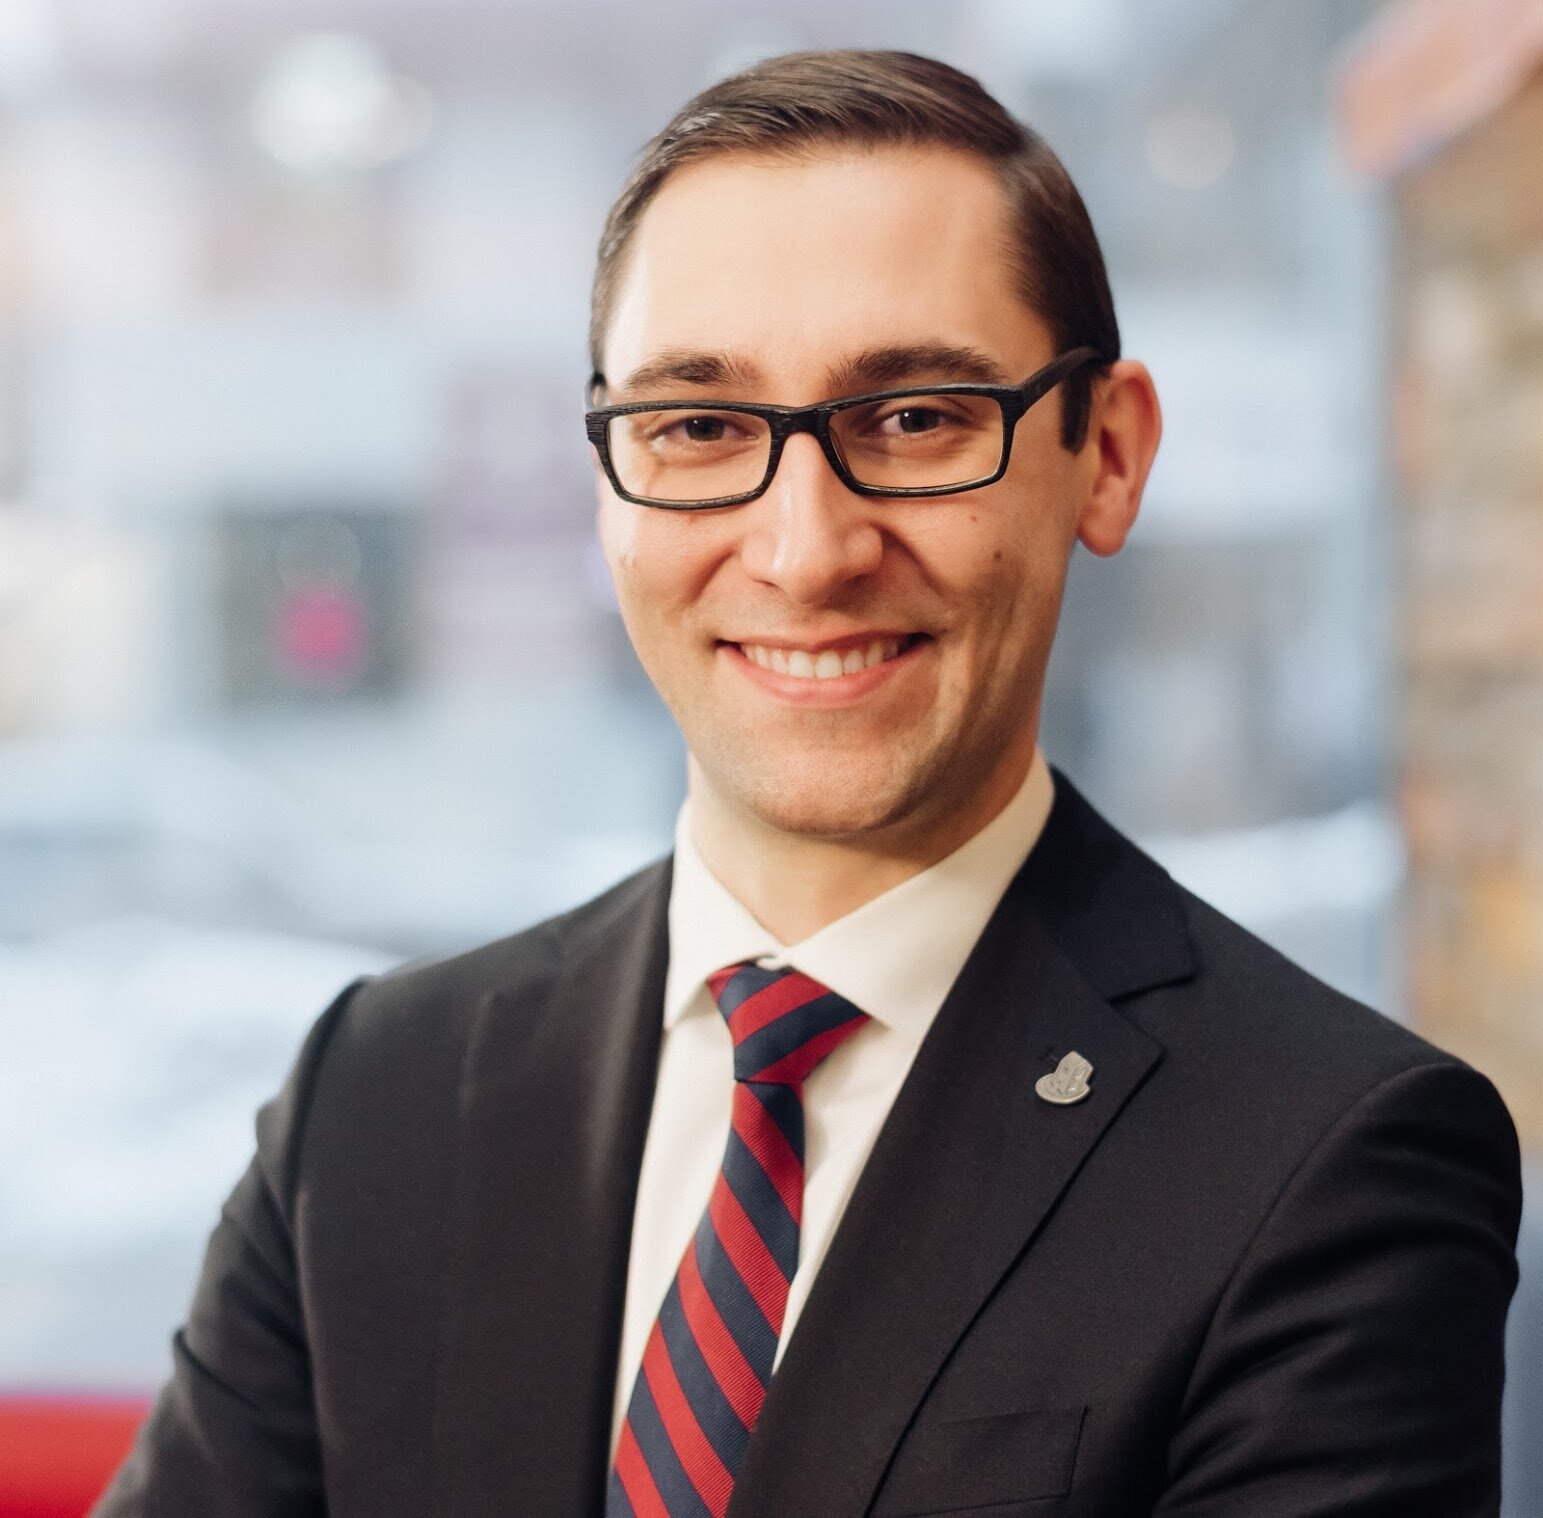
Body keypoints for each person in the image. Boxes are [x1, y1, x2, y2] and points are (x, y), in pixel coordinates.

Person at [96, 49, 1521, 1518]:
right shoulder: (381, 1097)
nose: (804, 549)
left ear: (1106, 453)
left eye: (913, 419)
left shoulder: (1328, 1160)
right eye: (699, 427)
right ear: (607, 483)